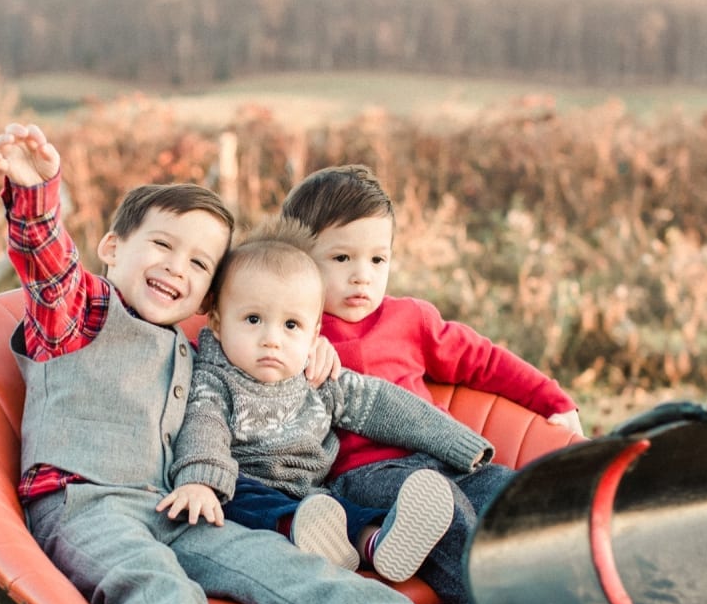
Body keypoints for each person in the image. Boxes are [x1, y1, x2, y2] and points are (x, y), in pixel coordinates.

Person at [0, 122, 517, 604]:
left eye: (199, 263)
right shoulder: (80, 314)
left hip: (175, 506)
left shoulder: (199, 348)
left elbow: (270, 349)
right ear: (113, 250)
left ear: (208, 296)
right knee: (149, 579)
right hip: (85, 501)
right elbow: (46, 264)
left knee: (284, 567)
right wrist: (33, 194)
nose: (177, 267)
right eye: (162, 245)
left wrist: (308, 355)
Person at [280, 164, 584, 604]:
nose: (362, 276)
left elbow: (485, 361)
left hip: (447, 458)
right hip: (366, 478)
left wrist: (553, 400)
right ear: (300, 262)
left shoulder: (412, 319)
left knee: (513, 494)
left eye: (377, 259)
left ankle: (581, 591)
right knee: (446, 515)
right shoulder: (293, 333)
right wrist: (297, 336)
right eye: (341, 259)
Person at [159, 216, 494, 585]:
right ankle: (300, 529)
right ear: (218, 324)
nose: (272, 339)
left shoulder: (316, 376)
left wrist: (459, 443)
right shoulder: (214, 378)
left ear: (314, 332)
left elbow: (383, 404)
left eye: (291, 326)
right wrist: (201, 481)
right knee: (242, 497)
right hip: (245, 485)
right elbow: (204, 426)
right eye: (253, 319)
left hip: (317, 495)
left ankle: (376, 544)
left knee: (346, 512)